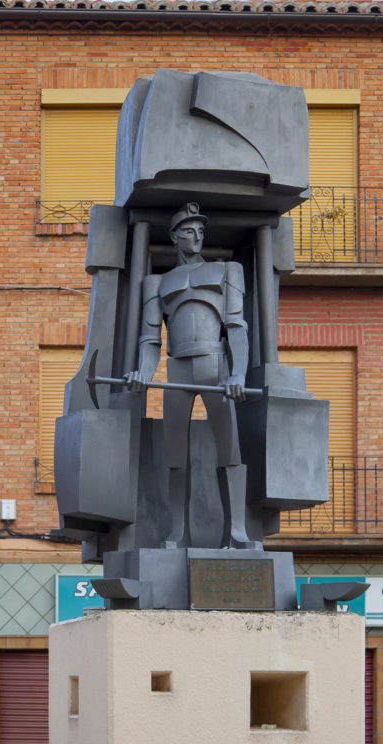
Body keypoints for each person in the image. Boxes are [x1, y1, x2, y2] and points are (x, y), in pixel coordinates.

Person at [126, 201, 257, 549]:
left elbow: (236, 327)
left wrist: (238, 373)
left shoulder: (228, 270)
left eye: (200, 231)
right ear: (174, 236)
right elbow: (150, 339)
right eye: (188, 230)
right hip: (178, 369)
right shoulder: (156, 282)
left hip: (217, 367)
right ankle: (177, 534)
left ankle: (237, 532)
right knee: (175, 457)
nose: (196, 236)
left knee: (230, 453)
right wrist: (142, 373)